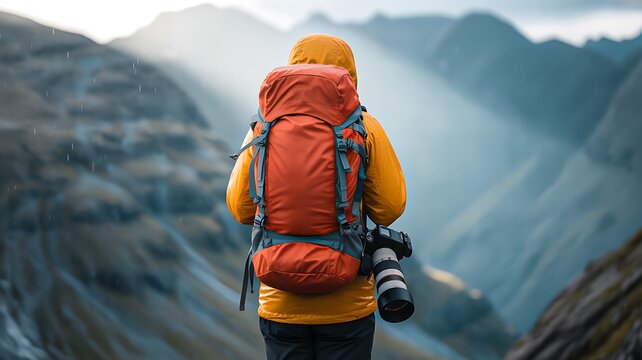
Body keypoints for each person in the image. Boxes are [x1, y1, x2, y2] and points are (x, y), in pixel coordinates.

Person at [226, 33, 406, 360]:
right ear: (349, 75)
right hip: (346, 304)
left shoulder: (262, 129)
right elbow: (389, 209)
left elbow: (240, 208)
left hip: (280, 300)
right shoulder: (365, 127)